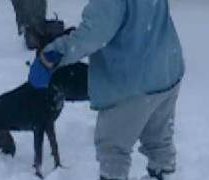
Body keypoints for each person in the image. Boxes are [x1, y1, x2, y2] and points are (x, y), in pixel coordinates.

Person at [30, 0, 185, 179]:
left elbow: (94, 34)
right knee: (159, 142)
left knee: (113, 150)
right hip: (166, 71)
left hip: (130, 81)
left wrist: (52, 56)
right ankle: (163, 174)